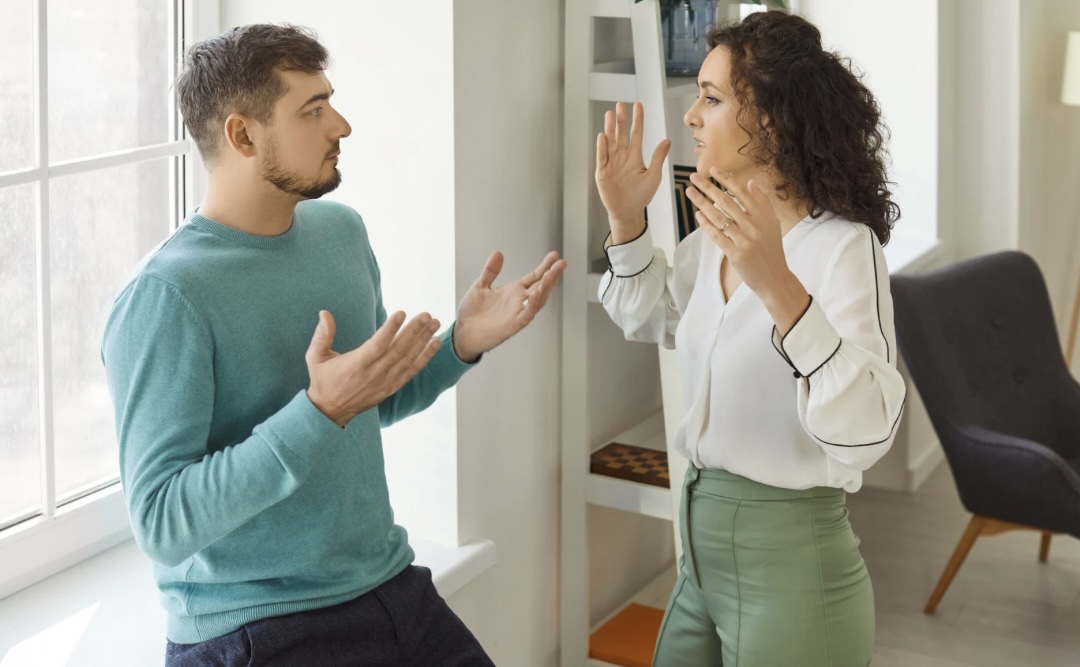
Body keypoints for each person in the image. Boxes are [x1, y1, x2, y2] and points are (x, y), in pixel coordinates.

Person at [101, 23, 564, 667]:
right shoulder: (166, 296)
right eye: (312, 110)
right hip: (255, 629)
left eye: (330, 101)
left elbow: (369, 403)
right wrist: (315, 412)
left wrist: (462, 342)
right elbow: (162, 522)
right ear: (242, 134)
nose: (340, 125)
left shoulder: (340, 233)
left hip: (391, 588)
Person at [594, 11, 906, 667]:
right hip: (699, 559)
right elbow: (648, 317)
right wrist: (626, 222)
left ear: (769, 118)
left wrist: (780, 288)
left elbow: (868, 428)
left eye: (711, 98)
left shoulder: (844, 248)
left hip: (792, 574)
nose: (691, 116)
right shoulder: (713, 237)